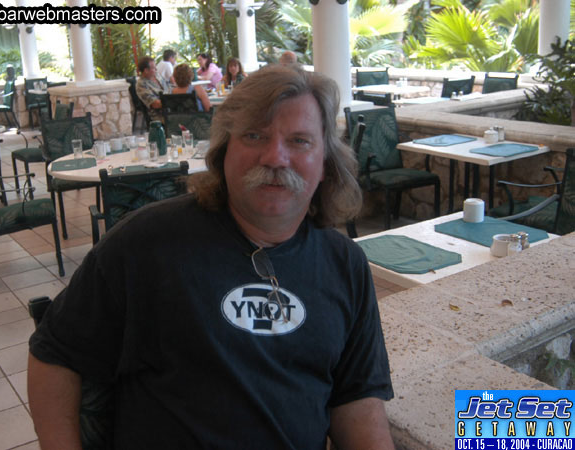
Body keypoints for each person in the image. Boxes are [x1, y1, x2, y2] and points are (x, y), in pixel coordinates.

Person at [28, 64, 394, 450]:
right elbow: (54, 354)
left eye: (300, 141)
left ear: (325, 165)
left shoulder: (345, 265)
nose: (275, 156)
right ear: (223, 153)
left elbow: (357, 400)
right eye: (254, 135)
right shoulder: (146, 243)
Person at [135, 55, 170, 122]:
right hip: (160, 116)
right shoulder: (141, 84)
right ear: (146, 70)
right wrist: (173, 101)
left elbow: (169, 88)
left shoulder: (157, 75)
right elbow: (155, 104)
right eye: (154, 68)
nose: (156, 69)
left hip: (171, 110)